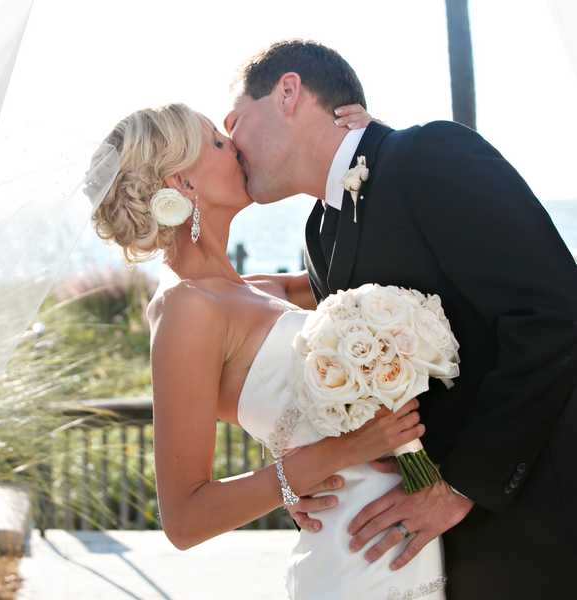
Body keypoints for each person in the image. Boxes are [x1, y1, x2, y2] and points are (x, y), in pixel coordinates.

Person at [224, 39, 577, 599]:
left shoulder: (431, 153)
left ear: (288, 93)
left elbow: (554, 313)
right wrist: (310, 476)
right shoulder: (319, 234)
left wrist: (461, 487)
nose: (230, 141)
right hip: (424, 553)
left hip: (535, 525)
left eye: (234, 118)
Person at [91, 102, 446, 599]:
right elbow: (184, 519)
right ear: (181, 184)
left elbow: (376, 264)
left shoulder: (260, 290)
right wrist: (339, 453)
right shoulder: (185, 310)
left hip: (408, 533)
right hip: (356, 554)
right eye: (216, 141)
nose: (234, 146)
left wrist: (364, 146)